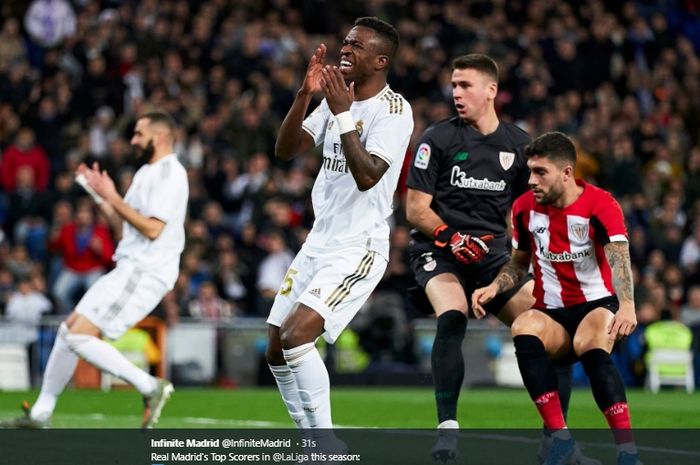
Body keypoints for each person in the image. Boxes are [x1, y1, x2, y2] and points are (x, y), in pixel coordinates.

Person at [405, 54, 590, 464]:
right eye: (453, 85)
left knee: (552, 331)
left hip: (493, 258)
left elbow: (529, 210)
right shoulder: (436, 139)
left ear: (491, 90)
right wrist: (450, 237)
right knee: (451, 314)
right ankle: (447, 432)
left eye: (465, 85)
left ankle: (556, 442)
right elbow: (415, 208)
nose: (456, 93)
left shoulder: (520, 147)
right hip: (438, 250)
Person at [264, 15, 413, 442]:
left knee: (296, 339)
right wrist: (304, 95)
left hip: (359, 245)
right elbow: (285, 149)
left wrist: (344, 115)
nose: (344, 50)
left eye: (356, 46)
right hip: (319, 241)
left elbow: (368, 176)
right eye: (345, 42)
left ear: (381, 60)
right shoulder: (334, 98)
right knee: (276, 348)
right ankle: (312, 444)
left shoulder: (394, 110)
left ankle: (326, 444)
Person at [1, 112, 188, 429]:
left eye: (138, 134)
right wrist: (99, 196)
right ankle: (40, 413)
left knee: (77, 336)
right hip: (130, 265)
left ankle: (150, 386)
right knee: (68, 331)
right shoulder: (146, 172)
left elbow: (154, 230)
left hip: (145, 271)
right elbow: (124, 228)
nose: (133, 140)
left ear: (157, 137)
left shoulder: (170, 174)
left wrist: (113, 195)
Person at [472, 132, 642, 465]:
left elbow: (619, 256)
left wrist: (628, 305)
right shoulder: (523, 209)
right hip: (551, 310)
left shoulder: (601, 204)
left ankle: (627, 451)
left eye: (540, 172)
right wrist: (495, 287)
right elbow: (520, 261)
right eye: (530, 171)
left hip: (597, 304)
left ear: (566, 173)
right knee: (523, 326)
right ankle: (560, 438)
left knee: (590, 347)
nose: (531, 180)